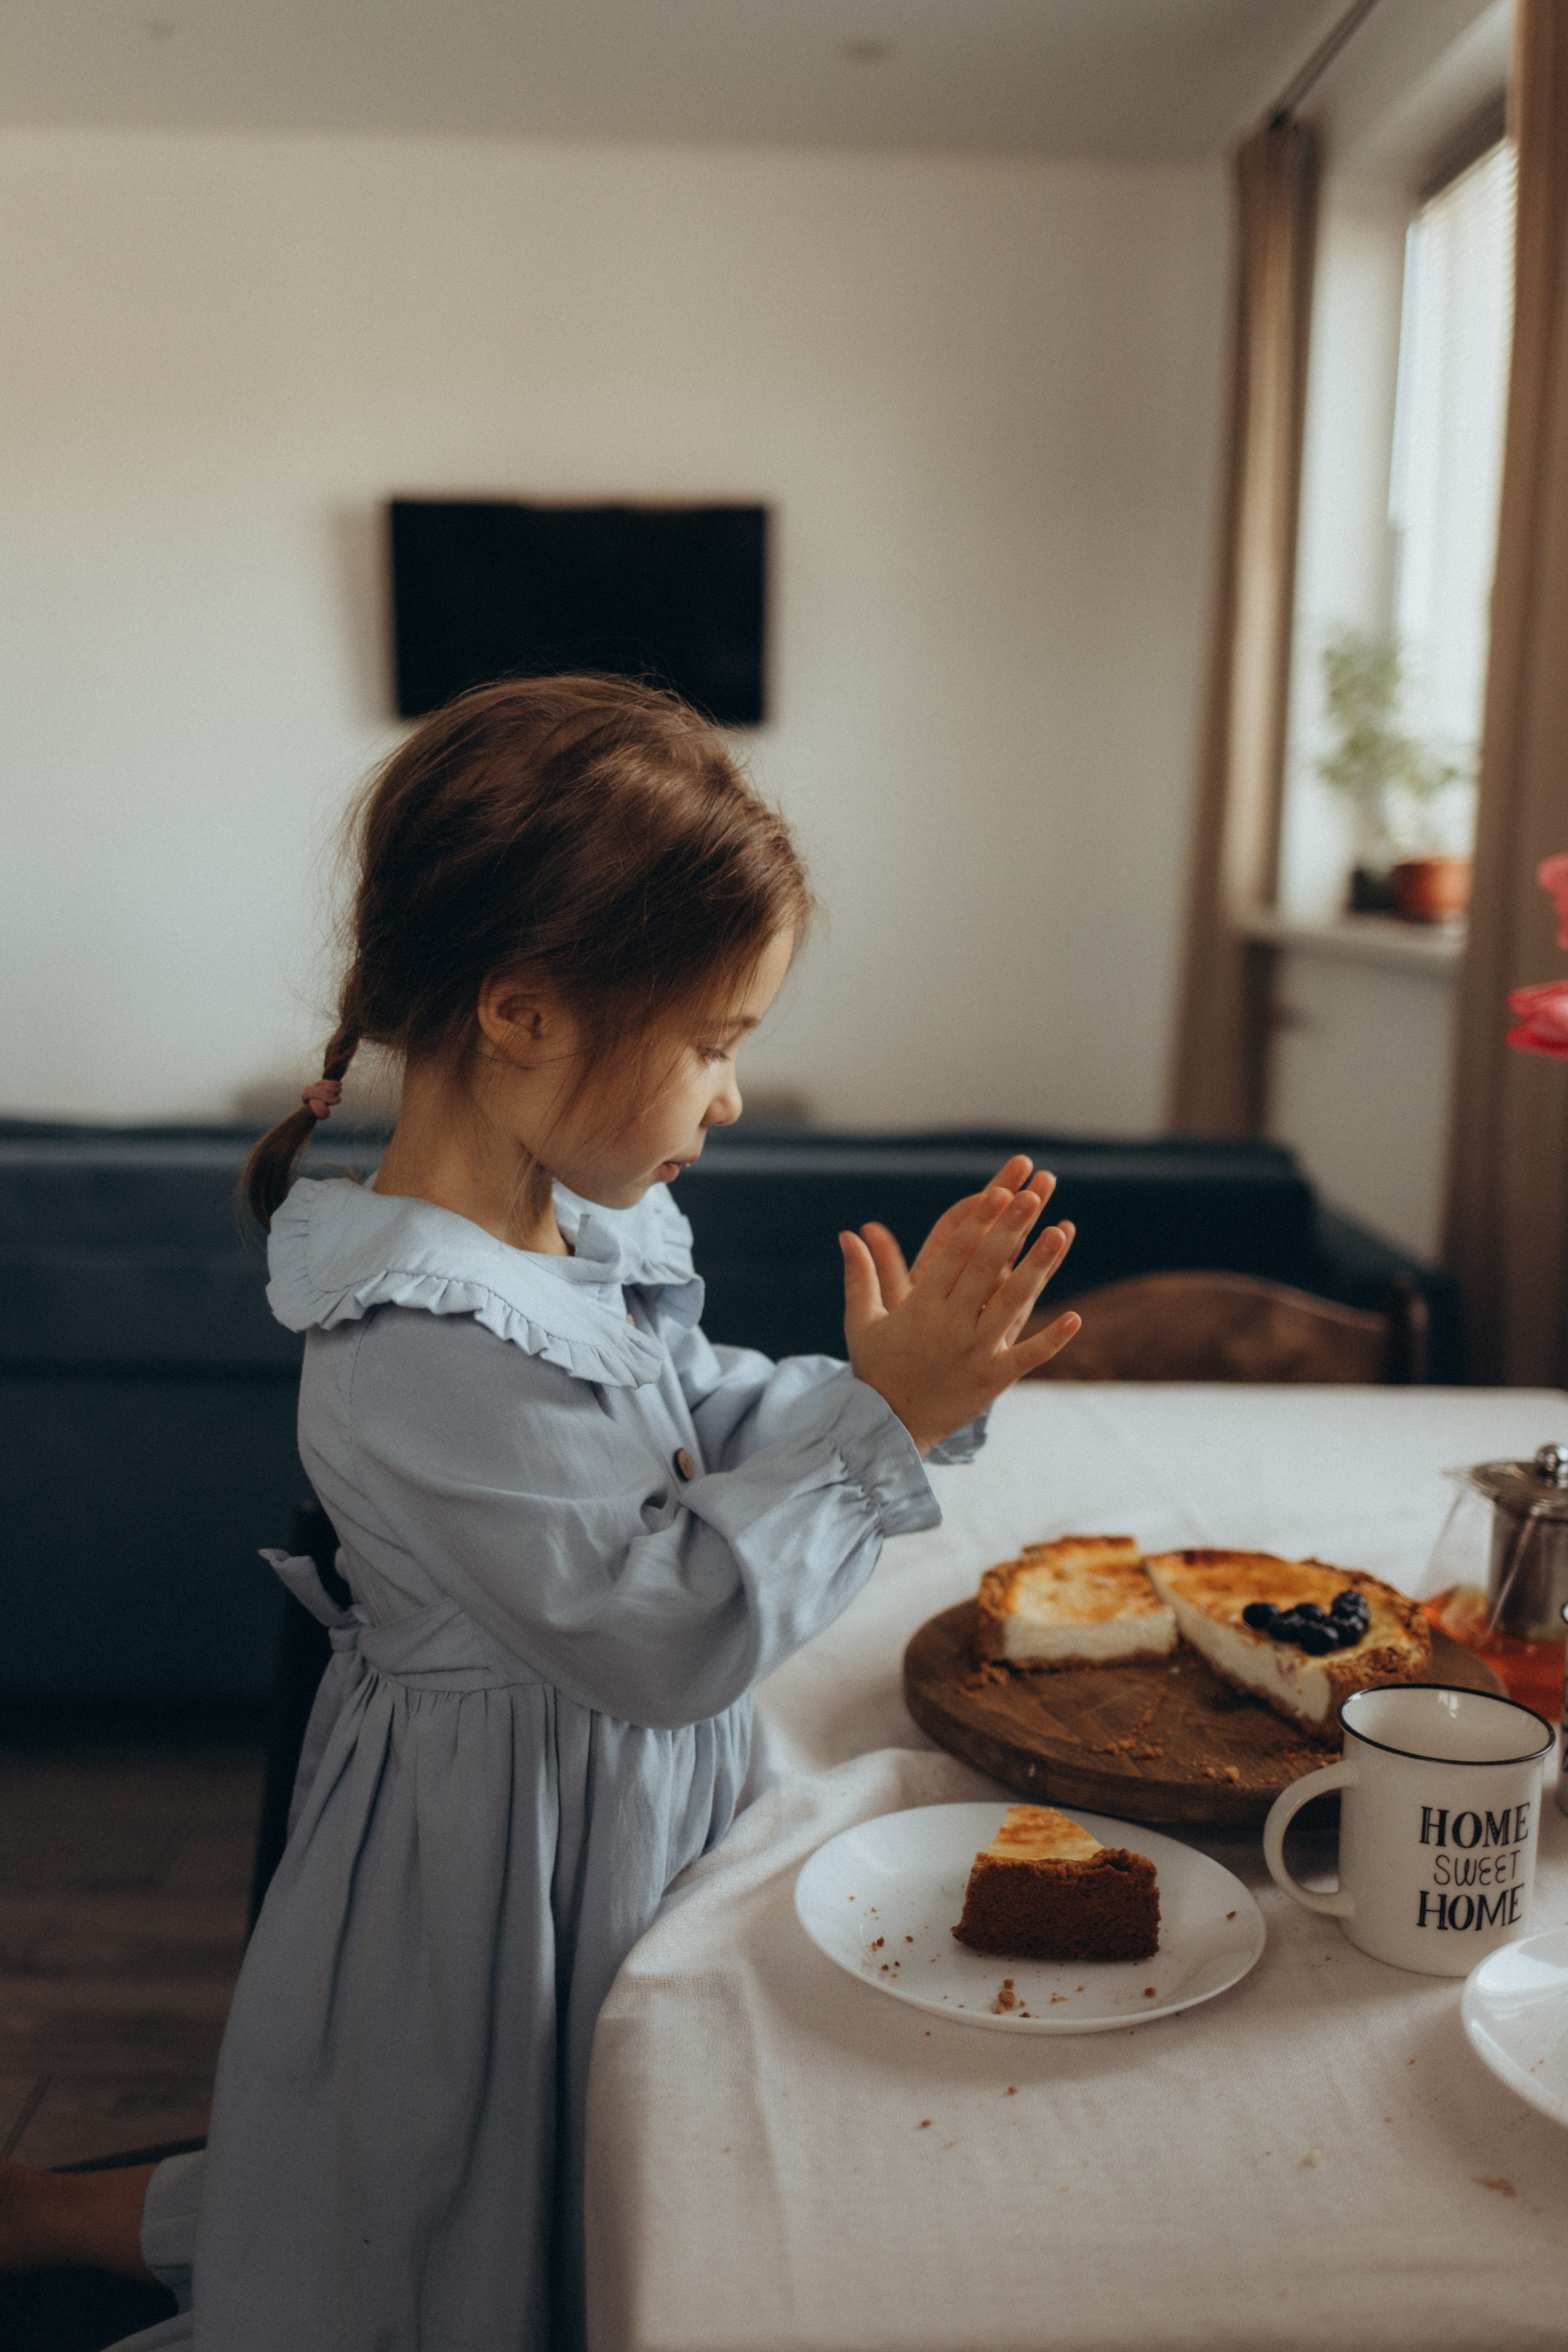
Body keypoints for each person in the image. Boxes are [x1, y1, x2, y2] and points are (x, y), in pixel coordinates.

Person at [0, 675, 1080, 2349]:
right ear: (523, 1012)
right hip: (493, 1845)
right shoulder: (429, 1332)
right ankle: (82, 2227)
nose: (727, 1097)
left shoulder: (561, 1239)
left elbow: (695, 1412)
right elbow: (661, 1631)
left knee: (518, 2157)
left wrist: (890, 1392)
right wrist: (886, 1425)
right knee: (444, 2181)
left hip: (592, 1807)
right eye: (715, 1045)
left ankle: (86, 2216)